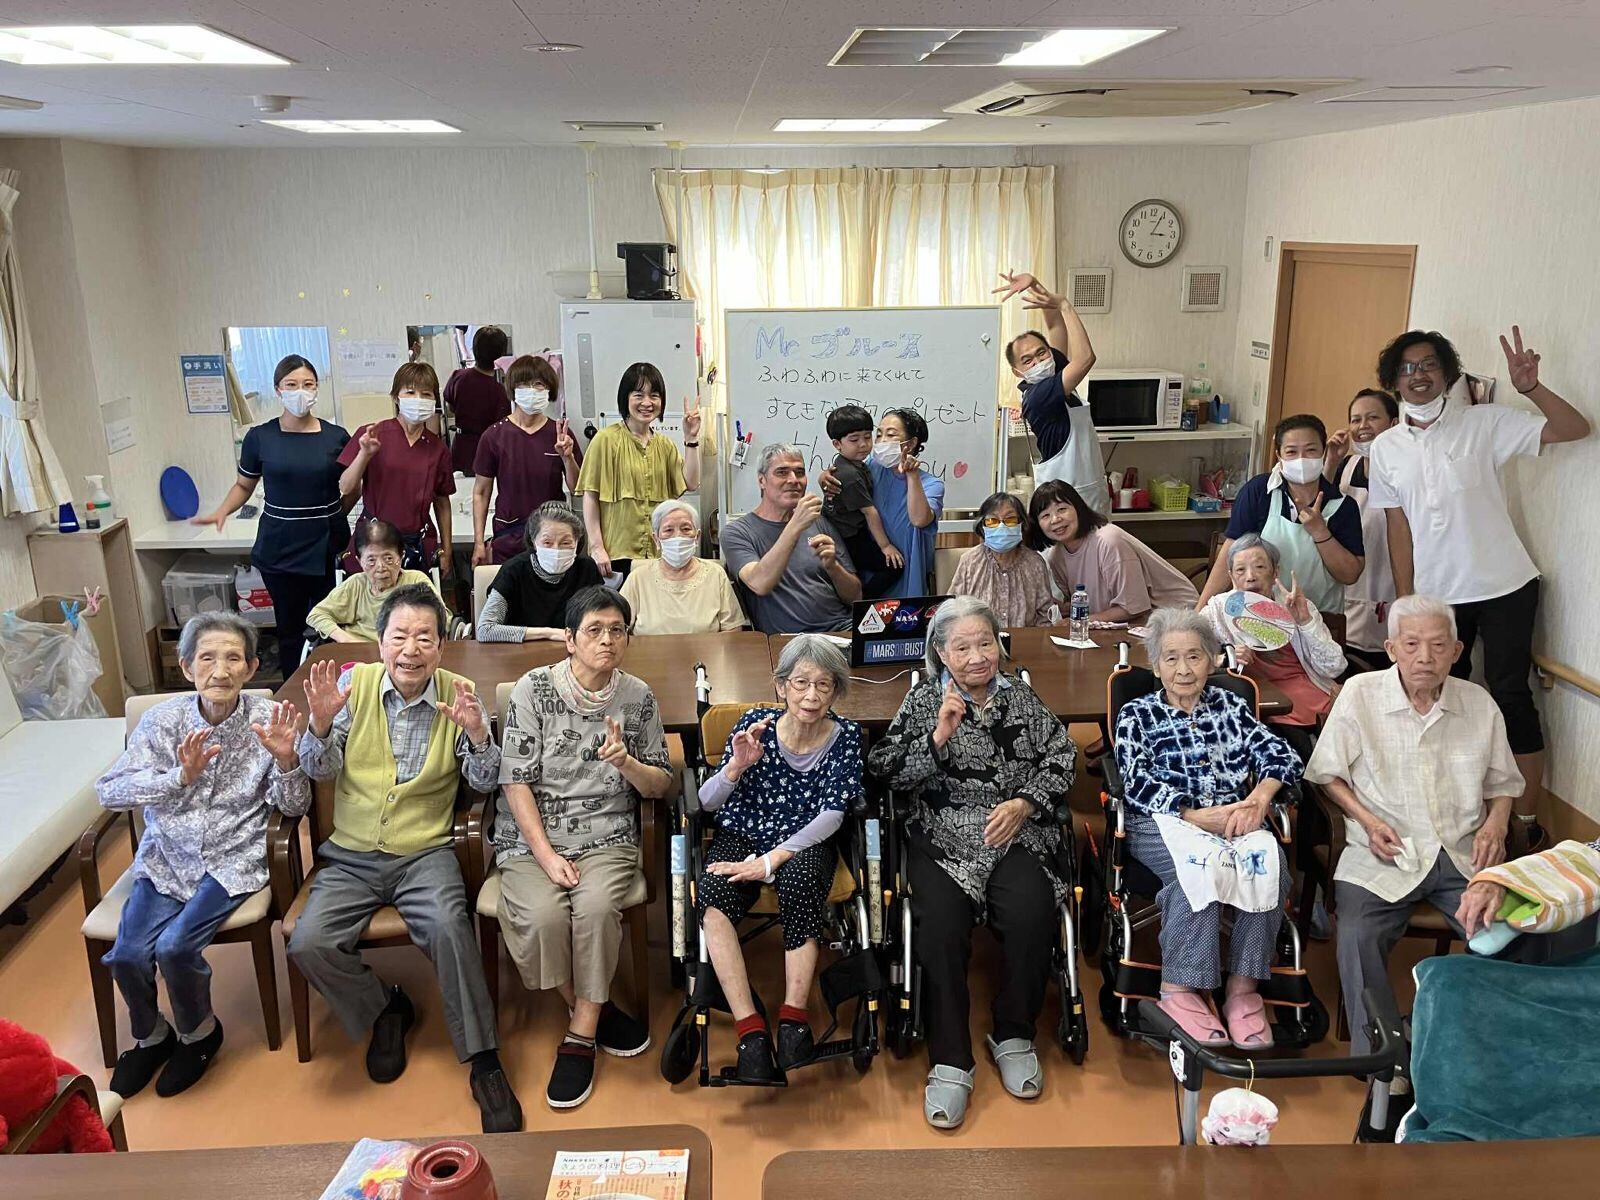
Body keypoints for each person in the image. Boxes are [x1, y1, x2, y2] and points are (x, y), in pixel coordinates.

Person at [290, 583, 522, 1132]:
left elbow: (484, 787)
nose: (410, 650)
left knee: (448, 925)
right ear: (379, 642)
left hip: (426, 851)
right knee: (309, 942)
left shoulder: (459, 692)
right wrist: (319, 727)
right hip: (350, 854)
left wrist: (479, 737)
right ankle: (384, 1008)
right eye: (400, 636)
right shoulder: (354, 684)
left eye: (425, 637)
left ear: (442, 646)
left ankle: (483, 1059)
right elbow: (319, 773)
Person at [1369, 326, 1590, 851]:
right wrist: (1407, 600)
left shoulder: (1484, 423)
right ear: (1392, 381)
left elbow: (1574, 428)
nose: (1417, 376)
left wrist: (1531, 387)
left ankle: (1525, 823)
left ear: (1447, 373)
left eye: (1427, 365)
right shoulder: (1386, 447)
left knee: (1511, 694)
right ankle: (1451, 813)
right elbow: (1399, 527)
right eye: (1406, 368)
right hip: (1440, 596)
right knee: (1437, 699)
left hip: (1506, 584)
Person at [868, 597, 1077, 1129]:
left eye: (986, 643)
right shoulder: (922, 701)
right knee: (937, 928)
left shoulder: (1023, 701)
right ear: (941, 653)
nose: (978, 656)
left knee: (1033, 912)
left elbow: (1063, 757)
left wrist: (1025, 802)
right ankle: (950, 1058)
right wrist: (938, 735)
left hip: (1014, 835)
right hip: (941, 840)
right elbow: (886, 772)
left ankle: (1013, 1032)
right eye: (962, 647)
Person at [96, 612, 310, 1099]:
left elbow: (294, 806)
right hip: (167, 859)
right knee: (128, 954)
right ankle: (151, 1037)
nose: (221, 670)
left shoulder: (267, 719)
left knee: (174, 948)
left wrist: (285, 759)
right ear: (186, 664)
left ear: (252, 667)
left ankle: (199, 1033)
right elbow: (109, 791)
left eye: (234, 658)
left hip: (234, 858)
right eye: (208, 658)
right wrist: (178, 778)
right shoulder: (162, 721)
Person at [1304, 593, 1523, 1057]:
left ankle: (1478, 1048)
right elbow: (1326, 775)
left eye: (1438, 646)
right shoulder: (1362, 696)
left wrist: (1497, 825)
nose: (1425, 657)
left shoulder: (1479, 704)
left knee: (1512, 935)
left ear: (1457, 651)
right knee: (1358, 936)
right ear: (1391, 649)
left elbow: (1504, 783)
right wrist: (1365, 818)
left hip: (1461, 854)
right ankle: (1377, 1059)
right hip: (1382, 852)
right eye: (1412, 645)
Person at [493, 586, 672, 1109]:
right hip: (532, 836)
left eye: (617, 630)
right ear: (569, 639)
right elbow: (515, 780)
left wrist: (627, 764)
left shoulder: (637, 697)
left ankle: (579, 1035)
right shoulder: (533, 689)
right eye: (593, 630)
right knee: (544, 917)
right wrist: (546, 855)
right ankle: (593, 1005)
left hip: (607, 834)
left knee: (594, 909)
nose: (607, 640)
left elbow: (660, 784)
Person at [1113, 608, 1302, 1050]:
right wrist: (1195, 816)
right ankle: (1179, 989)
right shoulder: (1137, 716)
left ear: (1213, 660)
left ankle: (1242, 989)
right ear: (1156, 666)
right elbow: (1136, 781)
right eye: (1171, 658)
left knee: (1269, 868)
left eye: (1194, 657)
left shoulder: (1231, 706)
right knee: (1195, 875)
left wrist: (1258, 800)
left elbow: (1282, 756)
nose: (1183, 669)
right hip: (1164, 822)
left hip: (1235, 816)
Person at [695, 635, 863, 1083]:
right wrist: (736, 766)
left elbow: (831, 817)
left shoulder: (845, 738)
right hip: (743, 831)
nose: (811, 696)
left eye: (824, 686)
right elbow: (708, 803)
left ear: (836, 692)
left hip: (804, 842)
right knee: (712, 897)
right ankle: (750, 1033)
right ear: (781, 685)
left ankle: (793, 1022)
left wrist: (769, 862)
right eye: (801, 683)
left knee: (801, 885)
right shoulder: (756, 725)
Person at [192, 355, 349, 675]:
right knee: (290, 630)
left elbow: (351, 486)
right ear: (278, 390)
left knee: (330, 627)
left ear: (317, 388)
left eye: (307, 384)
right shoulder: (260, 438)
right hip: (280, 550)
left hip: (326, 547)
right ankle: (293, 693)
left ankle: (334, 694)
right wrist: (222, 511)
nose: (300, 391)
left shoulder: (336, 437)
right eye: (291, 385)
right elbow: (243, 485)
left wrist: (333, 515)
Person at [1197, 414, 1363, 615]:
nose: (1301, 459)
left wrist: (1320, 532)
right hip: (1257, 617)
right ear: (1279, 455)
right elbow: (1231, 554)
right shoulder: (1259, 492)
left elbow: (1350, 574)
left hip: (1320, 620)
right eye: (1291, 452)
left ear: (1323, 452)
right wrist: (1200, 611)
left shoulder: (1343, 505)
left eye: (1311, 450)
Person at [1202, 533, 1346, 761]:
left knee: (1304, 748)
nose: (1250, 577)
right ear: (1230, 576)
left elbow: (1334, 668)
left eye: (1260, 567)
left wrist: (1305, 622)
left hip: (1303, 694)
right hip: (1252, 696)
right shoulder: (1217, 611)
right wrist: (1224, 658)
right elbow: (1190, 654)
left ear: (1276, 572)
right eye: (1240, 570)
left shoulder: (1296, 605)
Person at [994, 271, 1110, 515]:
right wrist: (1065, 304)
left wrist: (1035, 284)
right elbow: (1086, 358)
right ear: (1017, 372)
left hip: (1087, 489)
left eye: (1041, 353)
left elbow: (1055, 325)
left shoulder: (1053, 374)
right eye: (1027, 360)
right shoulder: (1039, 395)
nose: (1038, 362)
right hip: (1066, 500)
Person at [575, 362, 702, 579]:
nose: (647, 402)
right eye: (638, 395)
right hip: (615, 555)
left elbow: (690, 483)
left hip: (657, 556)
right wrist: (596, 547)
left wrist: (691, 439)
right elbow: (590, 496)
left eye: (654, 395)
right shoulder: (605, 440)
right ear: (625, 398)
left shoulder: (665, 445)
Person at [722, 444, 862, 634]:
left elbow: (856, 596)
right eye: (782, 472)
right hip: (792, 641)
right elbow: (759, 583)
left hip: (843, 630)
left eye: (799, 472)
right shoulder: (738, 532)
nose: (793, 480)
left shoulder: (819, 523)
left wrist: (833, 567)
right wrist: (795, 525)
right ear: (762, 481)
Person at [338, 362, 455, 579]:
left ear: (434, 401)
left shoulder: (437, 448)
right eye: (410, 392)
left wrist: (447, 550)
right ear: (395, 397)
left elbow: (442, 501)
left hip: (417, 545)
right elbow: (345, 486)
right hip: (374, 544)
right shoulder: (372, 434)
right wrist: (364, 454)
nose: (418, 399)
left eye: (426, 394)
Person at [1029, 480, 1198, 622]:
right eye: (1045, 516)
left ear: (1079, 509)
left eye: (1062, 509)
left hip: (1175, 617)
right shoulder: (1056, 557)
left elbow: (1133, 607)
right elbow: (1086, 602)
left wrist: (1080, 621)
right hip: (1121, 624)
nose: (1055, 519)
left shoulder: (1109, 540)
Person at [472, 354, 581, 566]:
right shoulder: (494, 436)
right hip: (509, 537)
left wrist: (568, 458)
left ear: (549, 390)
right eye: (523, 384)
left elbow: (577, 488)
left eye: (538, 384)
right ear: (513, 389)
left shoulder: (559, 434)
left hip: (553, 539)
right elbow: (481, 492)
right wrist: (478, 542)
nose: (531, 390)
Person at [1323, 389, 1401, 666]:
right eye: (1355, 420)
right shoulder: (1345, 467)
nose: (1362, 426)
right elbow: (1317, 510)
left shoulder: (1407, 473)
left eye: (1372, 418)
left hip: (1390, 596)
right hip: (1344, 599)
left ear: (1394, 424)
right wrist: (1331, 460)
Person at [477, 502, 603, 643]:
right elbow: (485, 630)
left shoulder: (587, 568)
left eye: (566, 543)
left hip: (574, 652)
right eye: (547, 543)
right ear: (533, 541)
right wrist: (549, 633)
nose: (556, 550)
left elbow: (603, 619)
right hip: (519, 654)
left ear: (577, 542)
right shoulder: (514, 570)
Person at [619, 499, 746, 635]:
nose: (678, 536)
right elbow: (617, 629)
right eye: (668, 530)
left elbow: (733, 629)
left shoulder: (716, 574)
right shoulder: (637, 578)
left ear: (697, 537)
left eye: (686, 529)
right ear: (656, 539)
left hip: (704, 656)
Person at [306, 519, 437, 644]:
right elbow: (316, 615)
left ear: (401, 556)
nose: (380, 567)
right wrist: (346, 640)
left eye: (388, 558)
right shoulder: (356, 584)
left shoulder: (416, 581)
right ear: (359, 561)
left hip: (404, 651)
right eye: (371, 560)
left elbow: (441, 619)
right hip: (357, 653)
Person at [821, 404, 902, 598]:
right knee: (892, 566)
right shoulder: (849, 474)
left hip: (851, 532)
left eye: (867, 437)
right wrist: (885, 546)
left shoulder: (858, 464)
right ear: (837, 444)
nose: (863, 444)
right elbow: (869, 511)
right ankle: (862, 601)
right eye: (854, 440)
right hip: (847, 537)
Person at [863, 408, 945, 597]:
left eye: (891, 435)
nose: (882, 441)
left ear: (911, 443)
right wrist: (825, 477)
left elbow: (919, 520)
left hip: (909, 572)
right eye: (879, 434)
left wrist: (912, 476)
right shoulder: (871, 468)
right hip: (874, 571)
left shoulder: (932, 484)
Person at [947, 492, 1056, 627]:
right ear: (983, 526)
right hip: (978, 642)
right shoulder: (970, 561)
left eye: (1010, 520)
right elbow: (952, 610)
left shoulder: (1035, 563)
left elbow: (1046, 617)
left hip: (1023, 644)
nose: (1001, 527)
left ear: (1022, 524)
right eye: (992, 521)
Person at [444, 325, 511, 477]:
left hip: (460, 446)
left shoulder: (458, 376)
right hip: (486, 449)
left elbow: (451, 407)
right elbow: (501, 428)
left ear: (474, 349)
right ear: (501, 354)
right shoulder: (499, 391)